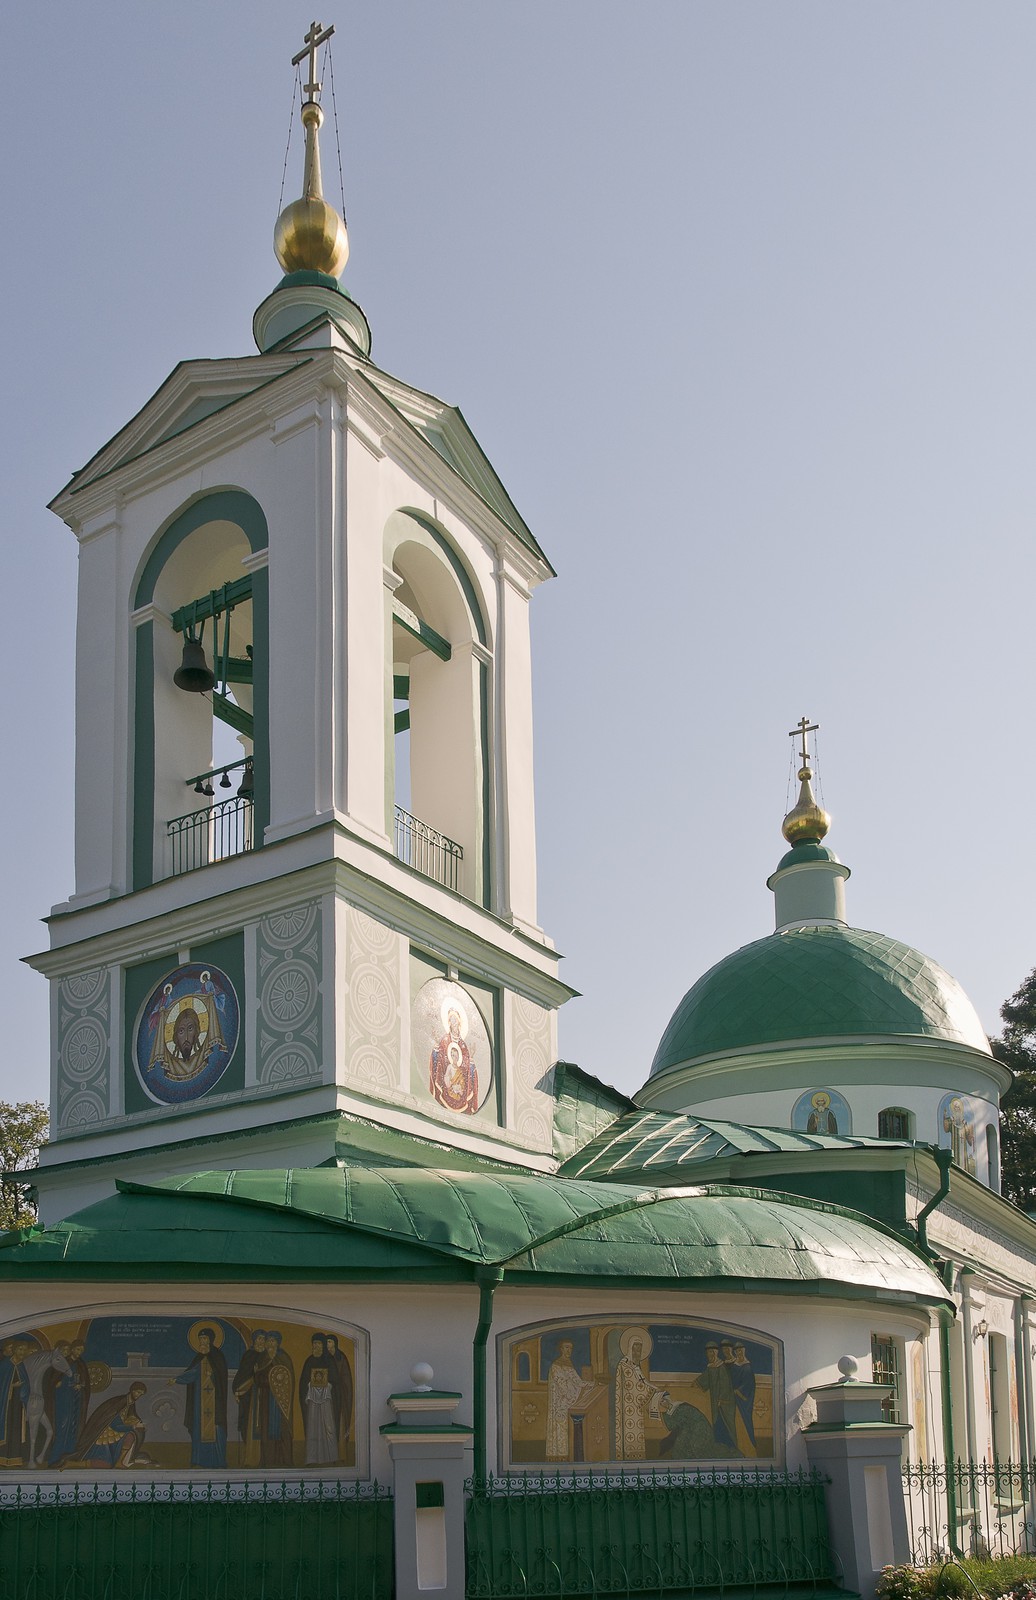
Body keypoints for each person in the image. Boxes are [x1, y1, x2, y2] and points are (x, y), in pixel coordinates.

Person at [171, 1327, 228, 1468]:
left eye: (205, 1339)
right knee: (199, 1428)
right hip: (199, 1402)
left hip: (214, 1402)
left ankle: (218, 1461)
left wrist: (212, 1374)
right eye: (200, 1339)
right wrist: (177, 1379)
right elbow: (191, 1373)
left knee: (215, 1429)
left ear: (211, 1340)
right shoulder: (198, 1357)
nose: (202, 1342)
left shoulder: (218, 1356)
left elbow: (221, 1375)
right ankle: (199, 1459)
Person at [545, 1340, 599, 1461]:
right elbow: (564, 1387)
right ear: (561, 1349)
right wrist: (579, 1392)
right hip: (560, 1405)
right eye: (566, 1347)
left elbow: (578, 1382)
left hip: (569, 1403)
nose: (569, 1350)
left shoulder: (569, 1364)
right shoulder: (556, 1366)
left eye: (571, 1348)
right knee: (561, 1430)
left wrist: (592, 1385)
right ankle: (559, 1457)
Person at [75, 1383, 151, 1467]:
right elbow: (115, 1425)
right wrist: (133, 1426)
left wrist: (137, 1423)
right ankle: (72, 1464)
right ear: (132, 1390)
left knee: (131, 1435)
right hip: (104, 1437)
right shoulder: (120, 1402)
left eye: (140, 1394)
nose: (138, 1395)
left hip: (114, 1434)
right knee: (104, 1464)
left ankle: (120, 1461)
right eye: (138, 1392)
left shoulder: (130, 1403)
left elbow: (130, 1417)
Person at [614, 1329, 660, 1461]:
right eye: (635, 1349)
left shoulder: (635, 1366)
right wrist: (652, 1392)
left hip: (635, 1408)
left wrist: (655, 1388)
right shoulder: (625, 1365)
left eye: (639, 1350)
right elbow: (634, 1385)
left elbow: (643, 1381)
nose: (637, 1353)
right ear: (629, 1349)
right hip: (627, 1406)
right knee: (629, 1432)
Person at [298, 1335, 341, 1465]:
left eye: (318, 1343)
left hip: (326, 1402)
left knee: (328, 1426)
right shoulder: (309, 1361)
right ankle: (312, 1458)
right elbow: (303, 1381)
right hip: (312, 1402)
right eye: (314, 1343)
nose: (315, 1346)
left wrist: (326, 1384)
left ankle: (331, 1457)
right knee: (312, 1427)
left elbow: (334, 1379)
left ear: (323, 1345)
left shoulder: (329, 1361)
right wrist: (310, 1385)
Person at [658, 1392, 739, 1460]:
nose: (662, 1404)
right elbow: (676, 1424)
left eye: (662, 1401)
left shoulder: (680, 1407)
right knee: (679, 1448)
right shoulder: (672, 1410)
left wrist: (658, 1414)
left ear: (667, 1400)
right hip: (689, 1430)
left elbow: (672, 1423)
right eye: (660, 1403)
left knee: (701, 1451)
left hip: (699, 1430)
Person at [429, 1002, 478, 1113]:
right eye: (451, 1019)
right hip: (447, 1085)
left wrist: (471, 1060)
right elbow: (439, 1061)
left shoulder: (463, 1045)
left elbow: (466, 1069)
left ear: (459, 1022)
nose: (453, 1022)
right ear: (448, 1023)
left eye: (455, 1019)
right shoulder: (445, 1040)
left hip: (460, 1087)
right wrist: (436, 1047)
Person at [49, 1339, 90, 1468]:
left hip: (75, 1400)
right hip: (63, 1399)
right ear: (72, 1348)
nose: (79, 1353)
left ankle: (69, 1457)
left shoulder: (81, 1364)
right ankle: (55, 1458)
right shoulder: (63, 1362)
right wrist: (58, 1384)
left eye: (81, 1351)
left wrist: (81, 1386)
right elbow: (52, 1380)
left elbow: (85, 1383)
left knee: (73, 1428)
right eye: (78, 1349)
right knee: (62, 1426)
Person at [694, 1343, 739, 1451]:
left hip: (724, 1402)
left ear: (715, 1352)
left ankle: (731, 1446)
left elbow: (725, 1384)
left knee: (725, 1423)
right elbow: (704, 1379)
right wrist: (695, 1383)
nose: (709, 1354)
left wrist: (721, 1400)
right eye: (708, 1352)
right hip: (715, 1402)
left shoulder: (721, 1366)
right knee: (716, 1422)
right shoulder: (711, 1367)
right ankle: (720, 1445)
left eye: (711, 1352)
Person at [324, 1334, 353, 1460]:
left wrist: (337, 1384)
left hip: (340, 1396)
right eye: (326, 1342)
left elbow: (346, 1378)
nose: (327, 1344)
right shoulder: (325, 1358)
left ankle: (341, 1454)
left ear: (334, 1343)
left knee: (340, 1422)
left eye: (329, 1342)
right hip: (328, 1396)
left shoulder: (341, 1357)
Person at [729, 1343, 757, 1450]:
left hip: (743, 1399)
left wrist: (738, 1391)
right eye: (737, 1351)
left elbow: (749, 1384)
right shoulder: (734, 1365)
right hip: (733, 1397)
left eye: (740, 1351)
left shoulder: (747, 1366)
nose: (739, 1353)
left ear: (743, 1351)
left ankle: (749, 1442)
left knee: (745, 1419)